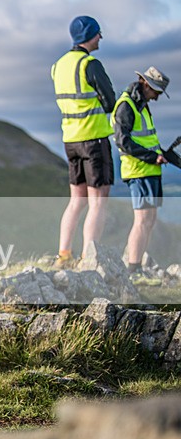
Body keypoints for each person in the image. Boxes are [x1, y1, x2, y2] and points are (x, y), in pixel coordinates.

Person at [51, 15, 117, 269]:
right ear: (91, 35)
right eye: (99, 33)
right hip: (93, 139)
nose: (101, 37)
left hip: (70, 139)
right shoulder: (90, 64)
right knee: (98, 200)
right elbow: (110, 102)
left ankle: (64, 255)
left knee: (76, 200)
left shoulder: (58, 66)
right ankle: (90, 259)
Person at [111, 66, 172, 284]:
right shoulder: (127, 106)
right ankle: (133, 268)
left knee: (149, 220)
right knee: (142, 219)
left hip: (150, 170)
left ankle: (136, 266)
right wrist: (150, 156)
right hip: (138, 171)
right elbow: (123, 141)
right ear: (146, 84)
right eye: (156, 91)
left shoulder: (142, 105)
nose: (157, 97)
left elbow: (144, 138)